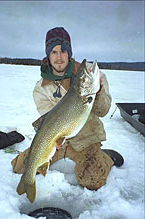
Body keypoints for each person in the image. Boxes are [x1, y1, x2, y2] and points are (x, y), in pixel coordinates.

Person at [11, 27, 114, 191]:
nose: (59, 58)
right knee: (20, 167)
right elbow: (47, 120)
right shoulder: (40, 88)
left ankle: (106, 158)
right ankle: (31, 177)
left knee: (92, 179)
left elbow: (103, 111)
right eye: (54, 52)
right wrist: (52, 141)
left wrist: (99, 92)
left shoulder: (90, 76)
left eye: (63, 51)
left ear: (69, 53)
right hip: (56, 139)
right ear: (48, 55)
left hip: (86, 140)